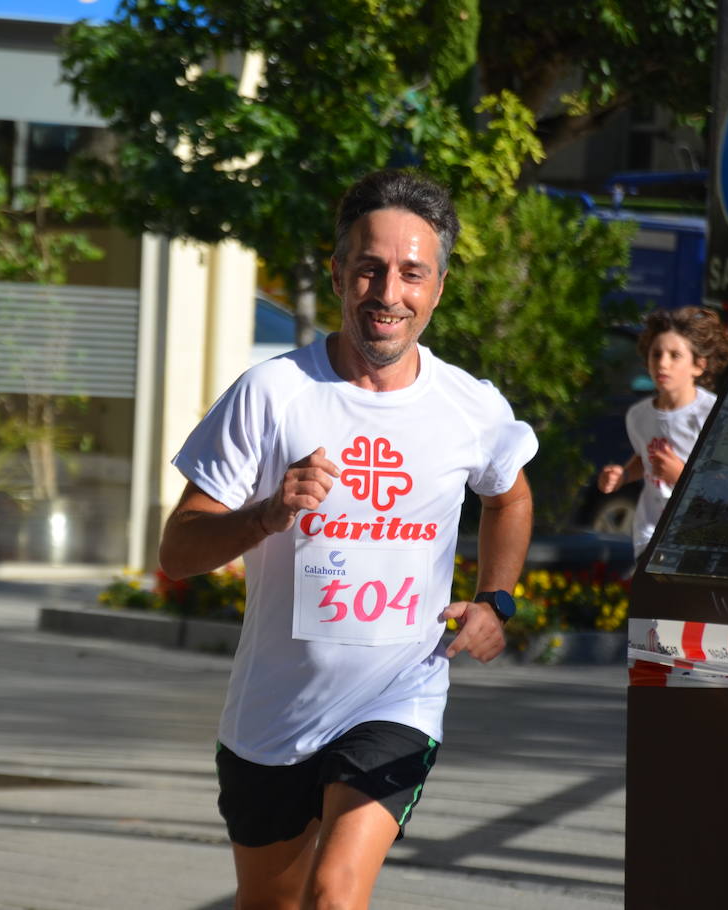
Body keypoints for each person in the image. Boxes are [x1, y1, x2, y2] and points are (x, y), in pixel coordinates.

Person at [158, 170, 537, 909]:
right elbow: (179, 549)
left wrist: (497, 599)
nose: (387, 292)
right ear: (337, 275)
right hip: (273, 715)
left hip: (398, 697)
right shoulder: (272, 395)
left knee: (336, 894)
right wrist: (264, 515)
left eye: (411, 273)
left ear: (438, 286)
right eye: (368, 269)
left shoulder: (470, 407)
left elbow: (511, 494)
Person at [598, 306, 728, 559]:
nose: (663, 363)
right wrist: (624, 474)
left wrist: (681, 477)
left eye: (675, 355)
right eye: (656, 354)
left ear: (699, 365)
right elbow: (645, 457)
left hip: (699, 535)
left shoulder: (713, 414)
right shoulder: (638, 416)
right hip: (650, 533)